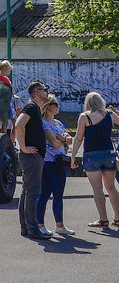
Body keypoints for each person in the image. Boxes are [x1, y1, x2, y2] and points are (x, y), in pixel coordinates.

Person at [69, 91, 119, 229]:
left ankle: (103, 220)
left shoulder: (85, 117)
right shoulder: (109, 114)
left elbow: (79, 138)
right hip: (109, 153)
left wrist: (73, 156)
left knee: (97, 188)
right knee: (111, 187)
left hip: (91, 154)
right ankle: (118, 218)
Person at [13, 81, 49, 239]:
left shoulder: (34, 108)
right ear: (37, 92)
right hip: (31, 156)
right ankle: (33, 228)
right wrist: (23, 147)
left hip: (32, 156)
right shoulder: (31, 107)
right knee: (33, 192)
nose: (47, 92)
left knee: (27, 191)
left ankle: (26, 228)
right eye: (45, 90)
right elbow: (19, 125)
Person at [35, 95, 73, 237]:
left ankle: (60, 225)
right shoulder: (44, 124)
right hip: (49, 162)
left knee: (59, 195)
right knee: (44, 194)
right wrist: (62, 140)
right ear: (48, 106)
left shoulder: (57, 122)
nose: (58, 106)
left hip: (60, 162)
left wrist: (62, 139)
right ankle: (40, 224)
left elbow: (69, 139)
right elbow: (54, 143)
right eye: (55, 104)